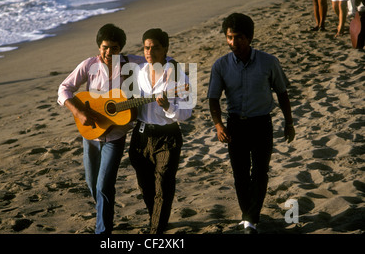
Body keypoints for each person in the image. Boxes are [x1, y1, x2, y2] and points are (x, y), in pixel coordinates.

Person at [207, 13, 295, 234]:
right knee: (240, 175)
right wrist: (218, 125)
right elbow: (213, 98)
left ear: (250, 37)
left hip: (262, 124)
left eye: (238, 38)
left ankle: (250, 219)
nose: (233, 43)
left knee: (261, 172)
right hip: (235, 126)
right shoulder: (221, 65)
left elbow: (282, 93)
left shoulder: (269, 62)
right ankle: (249, 217)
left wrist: (288, 123)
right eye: (229, 37)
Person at [57, 23, 145, 234]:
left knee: (104, 185)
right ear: (99, 46)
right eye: (105, 47)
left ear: (120, 48)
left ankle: (102, 231)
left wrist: (173, 68)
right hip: (90, 135)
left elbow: (157, 63)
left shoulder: (130, 63)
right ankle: (105, 216)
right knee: (91, 183)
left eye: (114, 48)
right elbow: (64, 88)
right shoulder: (89, 65)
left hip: (115, 136)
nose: (108, 52)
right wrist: (78, 112)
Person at [129, 28, 192, 234]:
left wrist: (168, 107)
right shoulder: (138, 71)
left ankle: (156, 231)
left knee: (164, 185)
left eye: (155, 47)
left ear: (165, 48)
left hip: (168, 136)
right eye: (146, 48)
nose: (149, 52)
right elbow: (130, 103)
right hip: (140, 136)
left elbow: (187, 112)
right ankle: (157, 220)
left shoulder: (177, 74)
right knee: (146, 186)